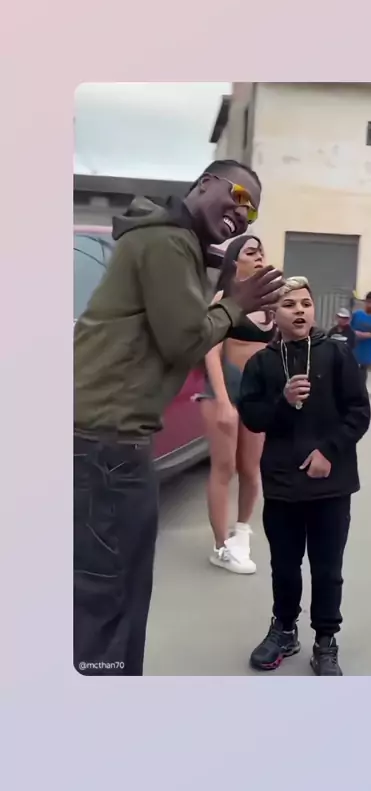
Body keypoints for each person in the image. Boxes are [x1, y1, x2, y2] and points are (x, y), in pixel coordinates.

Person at [74, 159, 285, 676]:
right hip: (107, 447)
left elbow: (185, 325)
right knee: (110, 601)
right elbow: (185, 339)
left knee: (112, 593)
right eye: (239, 196)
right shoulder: (167, 241)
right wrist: (235, 303)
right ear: (205, 183)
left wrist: (237, 303)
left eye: (252, 212)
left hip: (107, 444)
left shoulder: (175, 243)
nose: (243, 214)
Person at [237, 276, 371, 675]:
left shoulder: (337, 354)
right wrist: (283, 401)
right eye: (289, 304)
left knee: (327, 569)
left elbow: (358, 412)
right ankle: (284, 629)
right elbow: (253, 418)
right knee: (284, 565)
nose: (299, 310)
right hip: (282, 483)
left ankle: (326, 639)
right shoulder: (261, 363)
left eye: (305, 304)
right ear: (273, 313)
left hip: (331, 484)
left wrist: (329, 451)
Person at [195, 234, 276, 574]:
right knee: (224, 468)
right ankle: (220, 547)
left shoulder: (270, 301)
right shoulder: (224, 299)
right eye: (250, 252)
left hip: (257, 396)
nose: (259, 257)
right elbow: (210, 350)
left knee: (251, 469)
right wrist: (224, 402)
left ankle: (241, 532)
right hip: (223, 391)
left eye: (261, 252)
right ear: (234, 261)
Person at [351, 291, 371, 380]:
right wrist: (355, 333)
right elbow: (348, 328)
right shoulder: (357, 314)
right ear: (365, 302)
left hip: (366, 351)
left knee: (362, 376)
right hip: (354, 349)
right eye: (369, 302)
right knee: (351, 375)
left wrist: (369, 335)